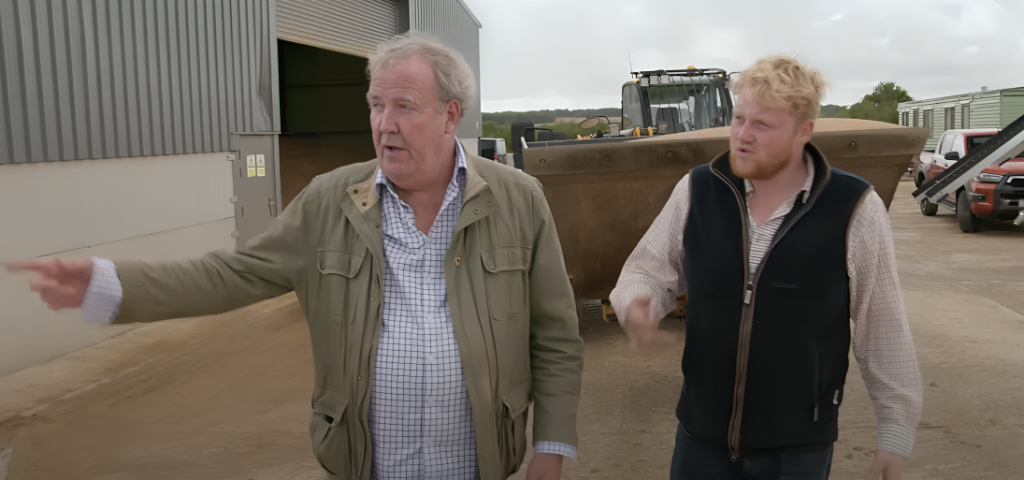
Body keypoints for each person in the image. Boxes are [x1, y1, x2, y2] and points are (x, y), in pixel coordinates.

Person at [5, 32, 584, 480]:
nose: (384, 125)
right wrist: (113, 286)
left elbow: (555, 335)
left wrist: (552, 446)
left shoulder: (517, 200)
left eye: (404, 106)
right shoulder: (331, 201)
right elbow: (234, 274)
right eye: (375, 105)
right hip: (366, 465)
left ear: (451, 114)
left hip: (477, 463)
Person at [608, 55, 923, 480]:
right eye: (739, 119)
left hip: (796, 453)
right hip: (700, 443)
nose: (742, 136)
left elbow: (882, 325)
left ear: (804, 132)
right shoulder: (698, 189)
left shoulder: (853, 208)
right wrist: (637, 304)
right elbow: (645, 270)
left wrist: (896, 434)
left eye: (763, 125)